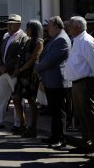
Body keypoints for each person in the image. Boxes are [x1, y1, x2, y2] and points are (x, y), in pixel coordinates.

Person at [35, 15, 71, 149]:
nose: (46, 28)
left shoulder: (61, 39)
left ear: (56, 26)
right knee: (54, 111)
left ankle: (61, 139)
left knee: (59, 112)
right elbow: (45, 56)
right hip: (51, 81)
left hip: (57, 82)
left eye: (49, 25)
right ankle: (54, 136)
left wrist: (36, 67)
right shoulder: (55, 38)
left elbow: (51, 60)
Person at [0, 14, 28, 130]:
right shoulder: (6, 36)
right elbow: (0, 52)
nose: (9, 26)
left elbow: (20, 56)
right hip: (2, 73)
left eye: (12, 24)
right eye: (8, 24)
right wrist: (0, 65)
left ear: (19, 24)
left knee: (17, 99)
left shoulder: (23, 37)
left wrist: (7, 67)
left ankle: (17, 124)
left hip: (13, 73)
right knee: (1, 98)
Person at [65, 16, 94, 159]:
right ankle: (86, 144)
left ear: (77, 27)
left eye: (70, 26)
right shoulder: (77, 40)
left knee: (90, 116)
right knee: (81, 116)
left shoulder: (87, 41)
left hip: (86, 83)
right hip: (77, 84)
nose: (68, 28)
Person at [12, 20, 44, 138]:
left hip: (31, 75)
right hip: (22, 74)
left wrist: (20, 69)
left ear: (35, 29)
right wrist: (18, 68)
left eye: (29, 28)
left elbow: (33, 59)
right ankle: (23, 125)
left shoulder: (39, 42)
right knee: (16, 98)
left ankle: (33, 128)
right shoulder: (28, 41)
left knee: (31, 100)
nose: (26, 30)